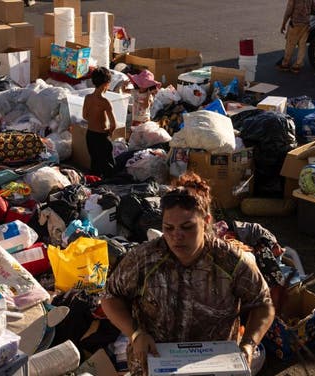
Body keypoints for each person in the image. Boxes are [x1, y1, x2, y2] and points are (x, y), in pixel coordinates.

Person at [102, 173, 275, 375]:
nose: (177, 236)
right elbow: (110, 296)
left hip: (214, 366)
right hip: (155, 363)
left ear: (206, 221)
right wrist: (135, 333)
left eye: (187, 227)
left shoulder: (231, 262)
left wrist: (249, 344)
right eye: (168, 228)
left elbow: (263, 304)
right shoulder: (144, 259)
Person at [83, 67, 116, 178]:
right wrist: (109, 132)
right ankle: (109, 185)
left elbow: (84, 116)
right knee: (108, 166)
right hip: (102, 136)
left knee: (95, 162)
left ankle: (94, 183)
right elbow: (113, 124)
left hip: (90, 135)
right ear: (107, 83)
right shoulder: (105, 102)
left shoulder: (87, 98)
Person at [278, 0, 315, 73]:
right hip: (305, 24)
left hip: (295, 23)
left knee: (290, 44)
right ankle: (297, 65)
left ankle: (285, 64)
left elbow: (288, 11)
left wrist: (283, 24)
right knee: (302, 45)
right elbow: (314, 9)